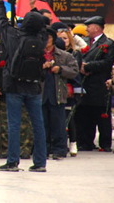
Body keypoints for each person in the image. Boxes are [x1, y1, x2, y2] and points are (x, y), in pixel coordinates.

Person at [0, 0, 48, 173]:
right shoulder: (42, 38)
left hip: (14, 85)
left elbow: (1, 22)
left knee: (14, 124)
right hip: (34, 86)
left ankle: (12, 161)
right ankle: (40, 162)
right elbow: (41, 26)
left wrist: (1, 1)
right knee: (38, 124)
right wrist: (33, 8)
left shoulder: (13, 36)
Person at [76, 15, 114, 152]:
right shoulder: (86, 42)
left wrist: (88, 67)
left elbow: (107, 63)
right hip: (85, 84)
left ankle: (105, 143)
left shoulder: (109, 44)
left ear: (97, 27)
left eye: (89, 26)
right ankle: (86, 142)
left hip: (99, 84)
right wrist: (80, 66)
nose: (87, 29)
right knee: (85, 114)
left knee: (101, 114)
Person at [40, 28, 79, 160]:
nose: (46, 40)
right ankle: (43, 149)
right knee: (42, 123)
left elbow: (74, 70)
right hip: (41, 94)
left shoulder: (64, 55)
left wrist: (60, 69)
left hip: (58, 93)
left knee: (59, 123)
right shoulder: (37, 55)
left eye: (49, 37)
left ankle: (60, 149)